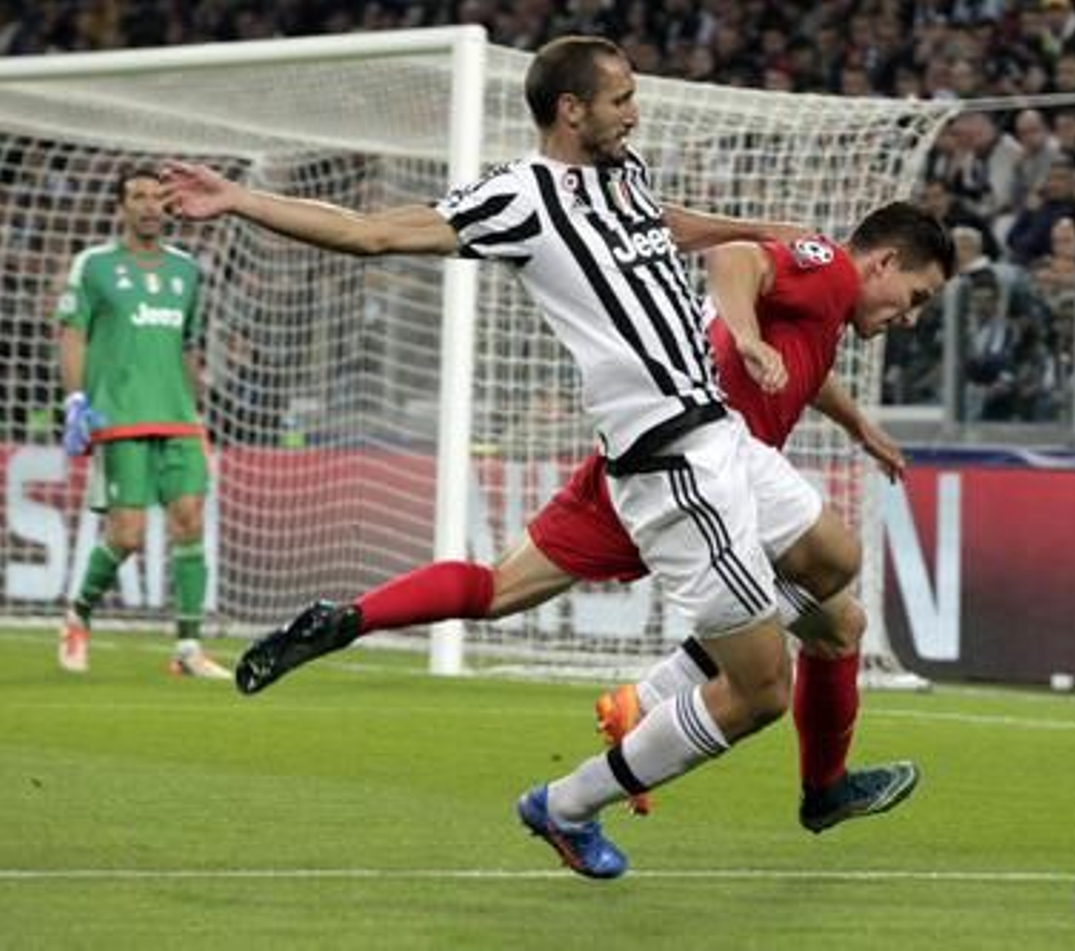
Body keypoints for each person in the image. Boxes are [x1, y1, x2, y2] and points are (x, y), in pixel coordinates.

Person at [161, 35, 941, 880]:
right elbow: (374, 233)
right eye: (621, 99)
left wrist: (754, 226)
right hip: (674, 461)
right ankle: (567, 802)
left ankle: (382, 627)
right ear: (571, 110)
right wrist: (238, 198)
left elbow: (667, 225)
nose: (634, 112)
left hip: (716, 433)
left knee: (836, 565)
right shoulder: (518, 198)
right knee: (759, 693)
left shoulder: (623, 173)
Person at [232, 203, 951, 827]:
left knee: (500, 586)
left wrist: (857, 424)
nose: (910, 316)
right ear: (884, 261)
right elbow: (735, 258)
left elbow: (805, 362)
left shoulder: (820, 307)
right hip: (709, 471)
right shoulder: (829, 268)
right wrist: (747, 336)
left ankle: (348, 616)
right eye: (915, 295)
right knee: (826, 578)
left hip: (635, 467)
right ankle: (660, 706)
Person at [55, 166, 229, 679]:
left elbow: (189, 345)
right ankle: (78, 616)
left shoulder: (186, 270)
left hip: (178, 417)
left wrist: (195, 408)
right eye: (138, 196)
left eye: (157, 197)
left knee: (189, 521)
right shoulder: (94, 266)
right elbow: (73, 334)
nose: (150, 205)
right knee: (126, 535)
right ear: (121, 206)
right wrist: (75, 400)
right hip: (120, 414)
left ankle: (188, 648)